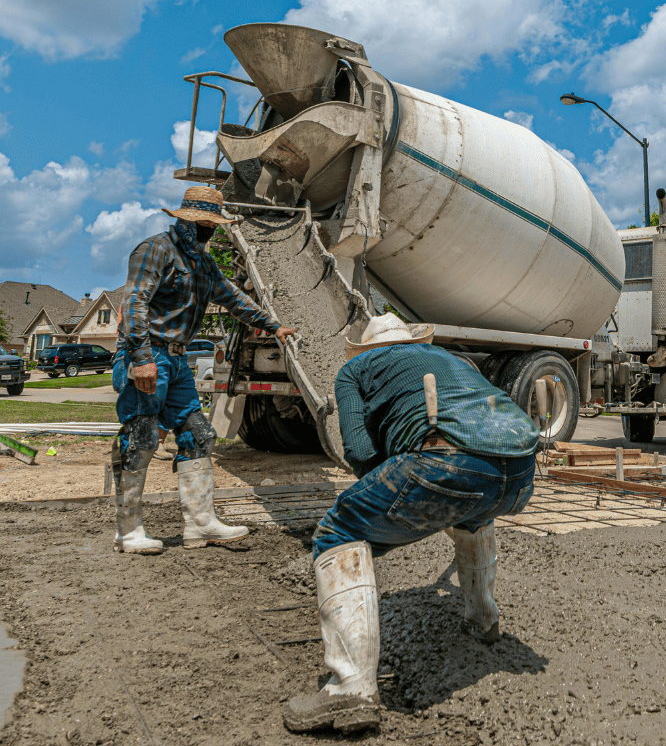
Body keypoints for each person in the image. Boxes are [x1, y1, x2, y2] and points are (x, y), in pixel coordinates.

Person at [283, 314, 541, 735]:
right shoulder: (450, 358)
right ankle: (483, 621)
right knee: (472, 519)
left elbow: (360, 450)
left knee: (338, 530)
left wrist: (394, 491)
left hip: (447, 463)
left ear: (367, 348)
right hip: (519, 474)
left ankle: (350, 688)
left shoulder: (355, 369)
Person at [111, 185, 296, 555]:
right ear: (187, 221)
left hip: (177, 361)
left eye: (213, 225)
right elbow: (134, 303)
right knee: (142, 436)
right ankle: (128, 531)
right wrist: (142, 357)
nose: (209, 231)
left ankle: (200, 524)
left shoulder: (204, 264)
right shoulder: (156, 250)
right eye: (204, 224)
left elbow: (232, 297)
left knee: (199, 434)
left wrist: (274, 326)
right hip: (149, 355)